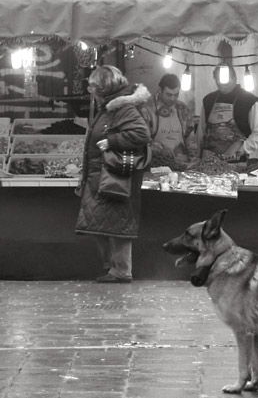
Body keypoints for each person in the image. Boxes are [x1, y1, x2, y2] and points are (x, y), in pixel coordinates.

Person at [75, 65, 152, 283]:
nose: (90, 90)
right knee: (104, 222)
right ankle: (114, 267)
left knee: (116, 222)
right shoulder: (110, 107)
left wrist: (112, 141)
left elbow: (141, 134)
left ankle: (121, 270)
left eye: (93, 85)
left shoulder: (122, 108)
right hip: (102, 175)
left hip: (114, 176)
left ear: (104, 87)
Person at [197, 65, 258, 162]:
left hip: (236, 163)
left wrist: (242, 148)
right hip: (207, 161)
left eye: (226, 84)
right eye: (219, 84)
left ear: (234, 78)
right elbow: (200, 132)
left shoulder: (249, 101)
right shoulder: (208, 100)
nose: (223, 88)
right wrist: (196, 157)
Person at [142, 73, 198, 168]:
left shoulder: (183, 109)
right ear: (160, 90)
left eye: (176, 95)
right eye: (169, 94)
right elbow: (142, 139)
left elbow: (191, 140)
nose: (172, 98)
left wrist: (194, 162)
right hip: (156, 166)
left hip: (181, 165)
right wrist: (159, 149)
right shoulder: (147, 109)